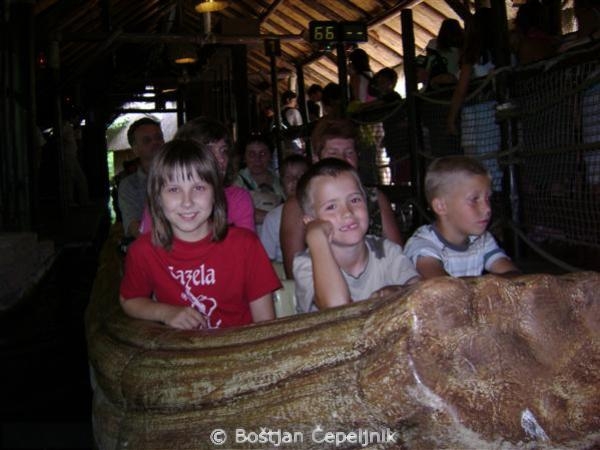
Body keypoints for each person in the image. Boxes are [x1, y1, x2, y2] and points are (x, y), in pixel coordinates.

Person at [119, 139, 279, 330]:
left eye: (199, 188)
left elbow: (265, 324)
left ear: (216, 193)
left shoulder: (246, 245)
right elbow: (129, 300)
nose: (187, 202)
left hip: (239, 346)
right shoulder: (144, 250)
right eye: (174, 189)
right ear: (157, 197)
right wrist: (165, 312)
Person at [280, 118, 404, 279]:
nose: (342, 160)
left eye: (349, 153)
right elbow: (293, 273)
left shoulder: (375, 198)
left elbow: (399, 258)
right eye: (333, 153)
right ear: (317, 158)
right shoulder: (297, 204)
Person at [293, 158, 419, 313]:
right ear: (311, 222)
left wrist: (399, 291)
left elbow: (422, 292)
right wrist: (316, 237)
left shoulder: (386, 251)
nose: (347, 212)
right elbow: (336, 307)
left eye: (354, 200)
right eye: (331, 207)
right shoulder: (306, 264)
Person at [404, 156, 519, 279]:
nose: (487, 209)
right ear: (441, 206)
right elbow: (441, 285)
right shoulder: (423, 246)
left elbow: (514, 277)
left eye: (488, 198)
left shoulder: (481, 240)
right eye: (474, 199)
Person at [139, 117, 255, 233]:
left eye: (223, 151)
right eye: (209, 150)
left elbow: (246, 243)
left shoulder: (237, 198)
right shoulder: (165, 201)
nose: (221, 160)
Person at [446, 8, 503, 192]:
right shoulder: (502, 52)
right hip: (495, 113)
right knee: (494, 164)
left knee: (478, 166)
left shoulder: (472, 56)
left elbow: (461, 89)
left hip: (477, 118)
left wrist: (451, 117)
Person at [118, 117, 164, 238]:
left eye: (159, 137)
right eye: (147, 140)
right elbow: (136, 230)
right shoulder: (129, 185)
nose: (155, 143)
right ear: (135, 150)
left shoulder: (180, 175)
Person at [260, 154, 310, 263]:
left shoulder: (321, 211)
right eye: (288, 177)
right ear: (281, 184)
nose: (295, 180)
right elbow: (267, 258)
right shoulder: (273, 217)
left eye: (301, 175)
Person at [234, 134, 285, 230]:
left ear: (270, 156)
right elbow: (238, 212)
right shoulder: (236, 182)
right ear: (244, 158)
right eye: (252, 154)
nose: (257, 159)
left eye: (263, 154)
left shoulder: (281, 181)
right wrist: (277, 219)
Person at [423, 19, 464, 90]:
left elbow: (428, 63)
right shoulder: (462, 47)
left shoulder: (433, 44)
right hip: (456, 81)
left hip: (435, 83)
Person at [62, 108, 90, 206]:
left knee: (76, 179)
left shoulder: (70, 128)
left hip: (71, 156)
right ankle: (70, 201)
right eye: (77, 118)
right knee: (70, 179)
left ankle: (82, 201)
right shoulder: (65, 126)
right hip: (67, 156)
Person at [280, 90, 305, 156]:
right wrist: (303, 143)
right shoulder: (294, 111)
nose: (296, 103)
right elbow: (300, 129)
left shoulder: (277, 113)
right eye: (294, 101)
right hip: (294, 145)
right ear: (288, 100)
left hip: (281, 144)